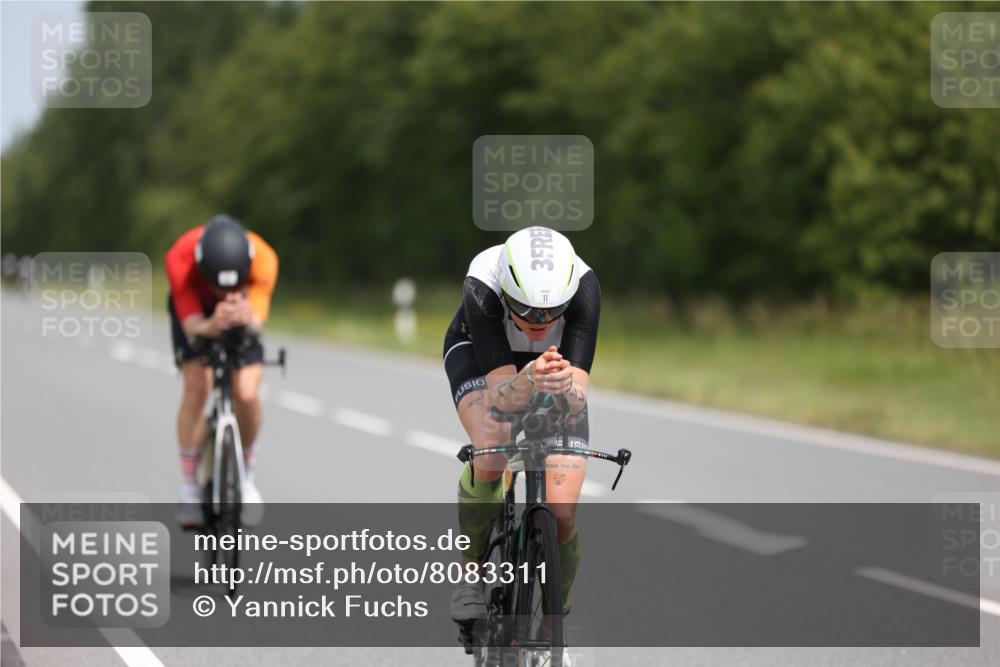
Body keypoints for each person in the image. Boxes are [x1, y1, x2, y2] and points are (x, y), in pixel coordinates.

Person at [444, 226, 600, 622]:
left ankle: (556, 618)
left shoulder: (584, 287)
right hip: (483, 356)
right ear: (508, 292)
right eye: (527, 308)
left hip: (552, 362)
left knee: (563, 511)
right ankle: (470, 573)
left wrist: (565, 386)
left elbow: (578, 395)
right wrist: (528, 379)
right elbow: (502, 398)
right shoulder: (482, 284)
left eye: (552, 310)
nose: (540, 320)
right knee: (493, 444)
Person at [165, 215, 278, 527]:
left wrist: (247, 317)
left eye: (234, 286)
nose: (225, 294)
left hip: (245, 310)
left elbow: (258, 323)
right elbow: (192, 329)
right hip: (198, 315)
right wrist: (211, 325)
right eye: (218, 287)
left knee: (246, 392)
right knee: (198, 387)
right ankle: (189, 488)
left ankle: (247, 474)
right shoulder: (181, 260)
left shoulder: (265, 259)